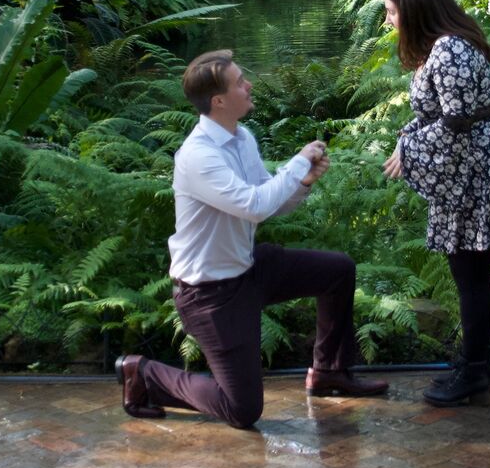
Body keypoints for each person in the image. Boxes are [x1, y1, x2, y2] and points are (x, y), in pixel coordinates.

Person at [116, 50, 388, 428]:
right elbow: (255, 205)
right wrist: (297, 162)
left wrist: (303, 182)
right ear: (219, 101)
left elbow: (270, 200)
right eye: (241, 81)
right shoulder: (198, 156)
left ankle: (329, 372)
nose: (250, 84)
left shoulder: (242, 137)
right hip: (210, 293)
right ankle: (144, 374)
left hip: (248, 268)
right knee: (242, 410)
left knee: (338, 270)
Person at [382, 0, 490, 406]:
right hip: (471, 171)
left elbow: (457, 121)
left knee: (470, 274)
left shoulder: (449, 50)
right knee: (472, 273)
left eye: (392, 12)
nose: (389, 21)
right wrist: (405, 141)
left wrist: (409, 149)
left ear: (414, 12)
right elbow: (437, 117)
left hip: (482, 172)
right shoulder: (443, 47)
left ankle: (474, 370)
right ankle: (478, 366)